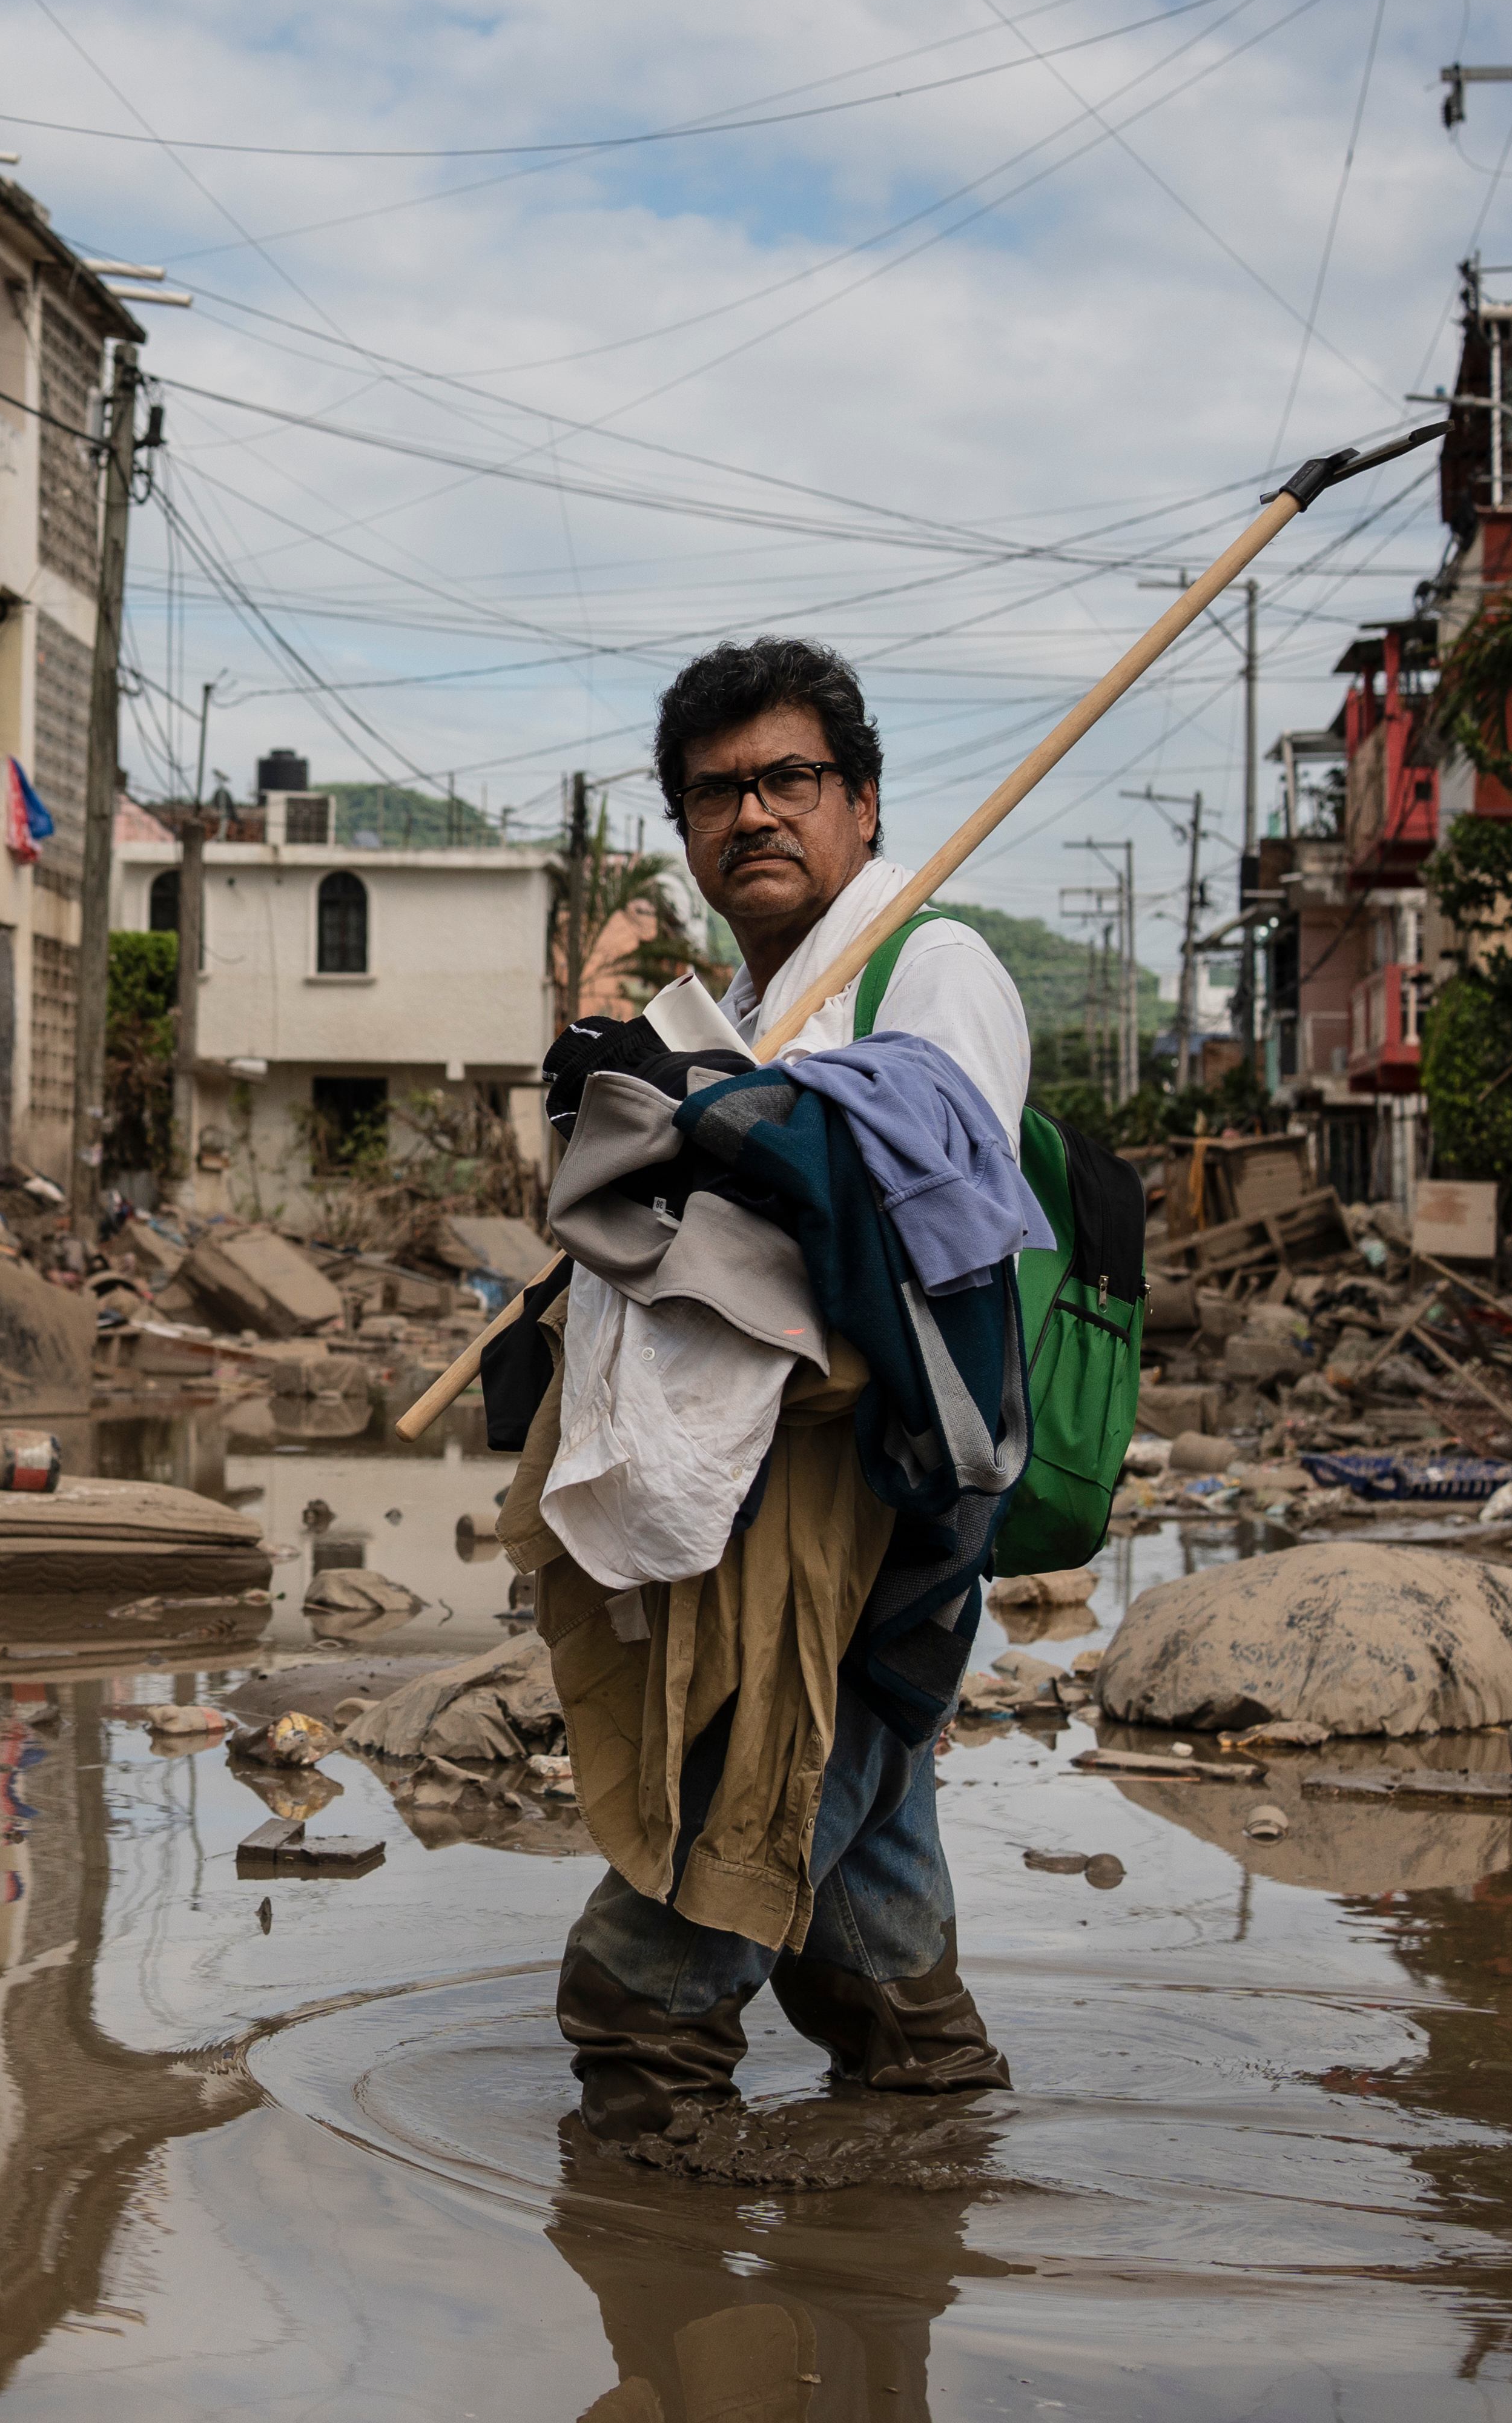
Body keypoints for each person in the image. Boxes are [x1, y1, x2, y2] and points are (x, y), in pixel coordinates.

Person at [500, 635, 1037, 2146]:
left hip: (883, 1503)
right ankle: (912, 2236)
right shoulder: (754, 995)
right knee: (868, 1939)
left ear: (863, 803)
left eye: (789, 779)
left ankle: (669, 2308)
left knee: (654, 1972)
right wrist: (649, 1102)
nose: (752, 815)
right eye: (714, 792)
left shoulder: (931, 964)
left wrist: (713, 1110)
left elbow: (930, 1161)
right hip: (786, 1503)